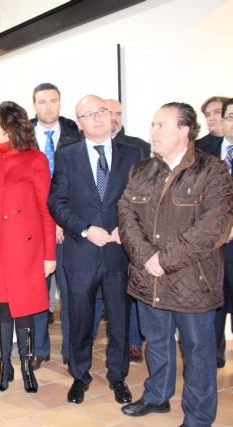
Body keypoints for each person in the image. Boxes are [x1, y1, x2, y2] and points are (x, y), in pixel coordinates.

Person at [119, 102, 233, 426]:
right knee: (156, 342)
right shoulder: (142, 170)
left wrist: (164, 260)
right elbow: (126, 215)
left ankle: (198, 416)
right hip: (148, 278)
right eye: (153, 125)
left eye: (161, 125)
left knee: (198, 352)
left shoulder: (212, 170)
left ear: (184, 130)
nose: (153, 132)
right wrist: (145, 258)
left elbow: (215, 227)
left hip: (192, 281)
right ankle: (157, 396)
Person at [48, 95, 141, 405]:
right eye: (88, 115)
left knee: (120, 319)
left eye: (101, 111)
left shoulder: (133, 154)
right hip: (82, 252)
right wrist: (86, 230)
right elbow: (56, 203)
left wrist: (124, 230)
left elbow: (142, 199)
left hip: (119, 251)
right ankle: (80, 375)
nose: (98, 118)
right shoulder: (67, 156)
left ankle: (118, 376)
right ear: (80, 123)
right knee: (79, 317)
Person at [0, 101, 56, 393]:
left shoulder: (35, 159)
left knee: (24, 310)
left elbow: (46, 210)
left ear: (11, 127)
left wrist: (49, 255)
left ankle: (25, 364)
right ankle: (3, 364)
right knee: (2, 310)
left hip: (25, 250)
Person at [30, 82, 80, 369]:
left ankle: (72, 350)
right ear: (34, 105)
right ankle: (39, 348)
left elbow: (79, 184)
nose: (48, 107)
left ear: (60, 103)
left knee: (70, 293)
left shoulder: (75, 133)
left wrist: (62, 221)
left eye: (53, 101)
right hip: (35, 230)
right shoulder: (23, 136)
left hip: (69, 229)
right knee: (38, 292)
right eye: (42, 102)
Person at [105, 97, 148, 365]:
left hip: (128, 230)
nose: (112, 118)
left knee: (130, 292)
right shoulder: (80, 149)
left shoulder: (138, 147)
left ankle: (133, 343)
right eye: (107, 112)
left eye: (117, 113)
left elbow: (143, 191)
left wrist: (128, 226)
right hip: (97, 232)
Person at [200, 97, 233, 369]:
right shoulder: (203, 150)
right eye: (230, 116)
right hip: (211, 242)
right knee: (214, 297)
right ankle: (214, 353)